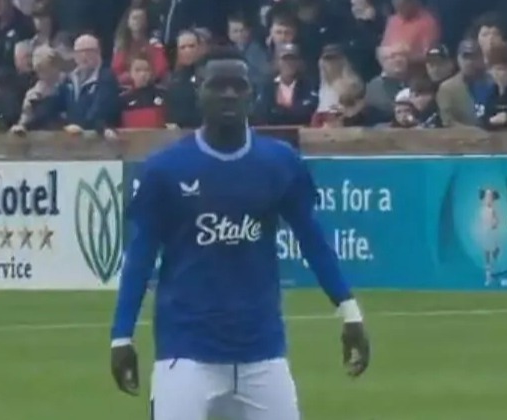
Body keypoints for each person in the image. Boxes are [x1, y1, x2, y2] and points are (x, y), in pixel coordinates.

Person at [110, 47, 370, 420]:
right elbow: (140, 256)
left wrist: (349, 311)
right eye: (219, 86)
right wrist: (122, 335)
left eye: (238, 86)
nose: (229, 94)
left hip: (262, 353)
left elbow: (312, 239)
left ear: (253, 94)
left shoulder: (279, 162)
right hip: (186, 354)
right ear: (199, 93)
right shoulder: (165, 169)